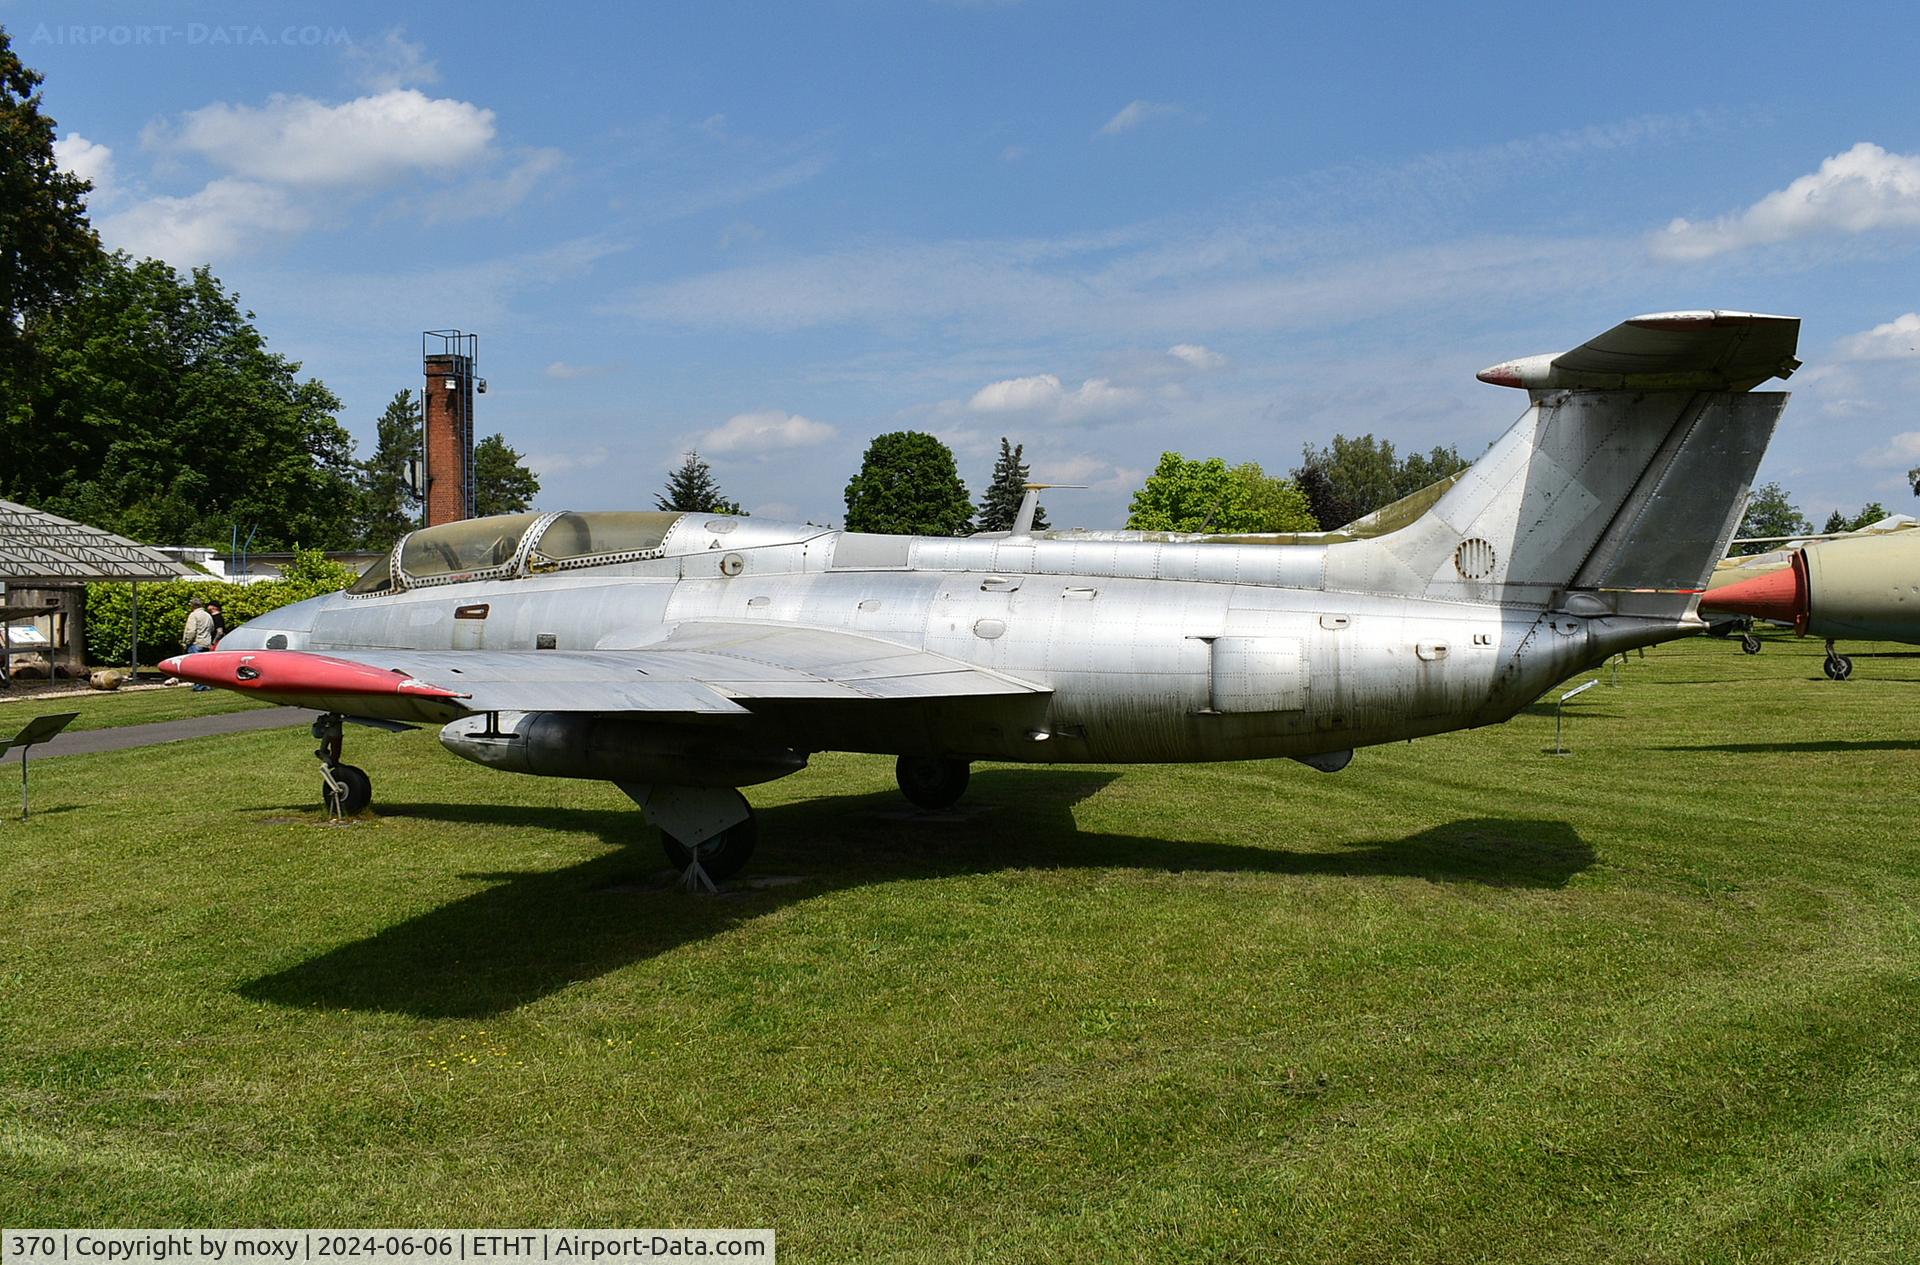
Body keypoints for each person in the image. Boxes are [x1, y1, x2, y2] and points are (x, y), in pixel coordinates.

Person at [181, 597, 215, 691]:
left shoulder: (193, 615)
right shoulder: (208, 615)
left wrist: (187, 642)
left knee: (195, 667)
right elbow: (212, 628)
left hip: (196, 643)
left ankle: (199, 686)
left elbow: (191, 631)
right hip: (206, 642)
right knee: (204, 666)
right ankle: (206, 684)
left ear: (193, 605)